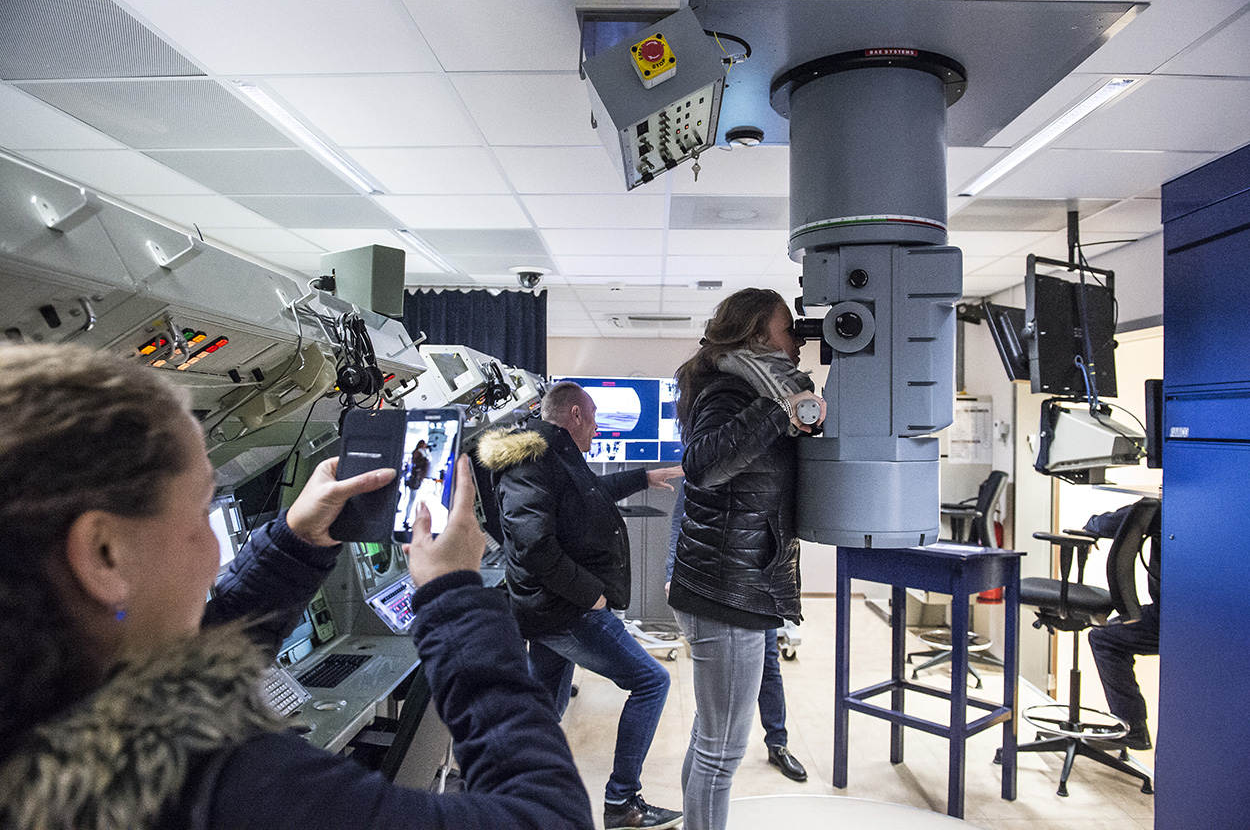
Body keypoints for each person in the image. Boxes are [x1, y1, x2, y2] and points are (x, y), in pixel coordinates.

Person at [0, 343, 593, 830]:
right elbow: (549, 818)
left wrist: (295, 541)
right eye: (200, 512)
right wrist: (456, 597)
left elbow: (195, 658)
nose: (214, 553)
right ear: (105, 554)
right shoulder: (225, 788)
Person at [477, 381, 685, 830]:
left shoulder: (552, 454)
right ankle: (622, 802)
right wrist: (591, 594)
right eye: (593, 420)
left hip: (552, 607)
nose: (596, 430)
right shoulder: (531, 461)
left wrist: (643, 477)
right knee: (651, 683)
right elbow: (534, 546)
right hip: (566, 610)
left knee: (545, 708)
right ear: (575, 415)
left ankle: (510, 796)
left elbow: (587, 492)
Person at [669, 288, 826, 830]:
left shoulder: (761, 388)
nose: (798, 340)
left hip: (735, 582)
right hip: (724, 589)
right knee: (722, 751)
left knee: (710, 736)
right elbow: (702, 465)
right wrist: (778, 409)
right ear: (758, 333)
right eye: (788, 329)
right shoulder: (732, 390)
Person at [665, 481, 807, 782]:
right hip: (724, 590)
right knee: (717, 728)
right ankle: (710, 735)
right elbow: (682, 517)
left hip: (762, 587)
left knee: (769, 666)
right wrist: (670, 573)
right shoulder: (710, 463)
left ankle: (777, 743)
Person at [1085, 499, 1162, 751]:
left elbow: (1115, 522)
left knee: (1104, 638)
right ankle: (1132, 727)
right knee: (1113, 631)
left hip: (1172, 619)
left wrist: (1091, 524)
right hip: (1203, 615)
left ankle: (1133, 728)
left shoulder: (1169, 509)